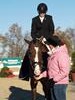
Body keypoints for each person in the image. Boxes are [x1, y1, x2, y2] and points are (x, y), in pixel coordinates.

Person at [19, 2, 55, 80]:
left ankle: (54, 71)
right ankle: (24, 74)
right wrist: (36, 39)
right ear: (38, 12)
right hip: (37, 40)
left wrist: (45, 38)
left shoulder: (49, 18)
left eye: (43, 13)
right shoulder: (34, 19)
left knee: (55, 51)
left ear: (46, 12)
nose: (42, 14)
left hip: (47, 39)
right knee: (28, 53)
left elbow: (51, 30)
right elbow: (32, 32)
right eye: (41, 13)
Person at [34, 35, 70, 100]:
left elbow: (65, 71)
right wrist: (41, 75)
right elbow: (50, 70)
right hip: (53, 83)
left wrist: (54, 79)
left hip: (59, 84)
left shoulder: (61, 54)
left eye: (49, 44)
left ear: (52, 45)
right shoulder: (53, 55)